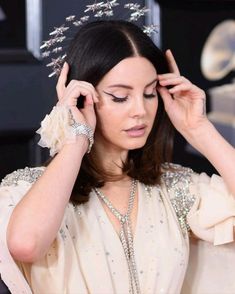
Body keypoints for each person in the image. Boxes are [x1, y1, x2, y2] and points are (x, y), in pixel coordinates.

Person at [0, 19, 235, 294]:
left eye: (149, 94)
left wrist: (199, 130)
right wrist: (76, 138)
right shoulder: (26, 190)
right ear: (81, 97)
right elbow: (26, 245)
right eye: (120, 97)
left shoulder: (173, 187)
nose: (140, 110)